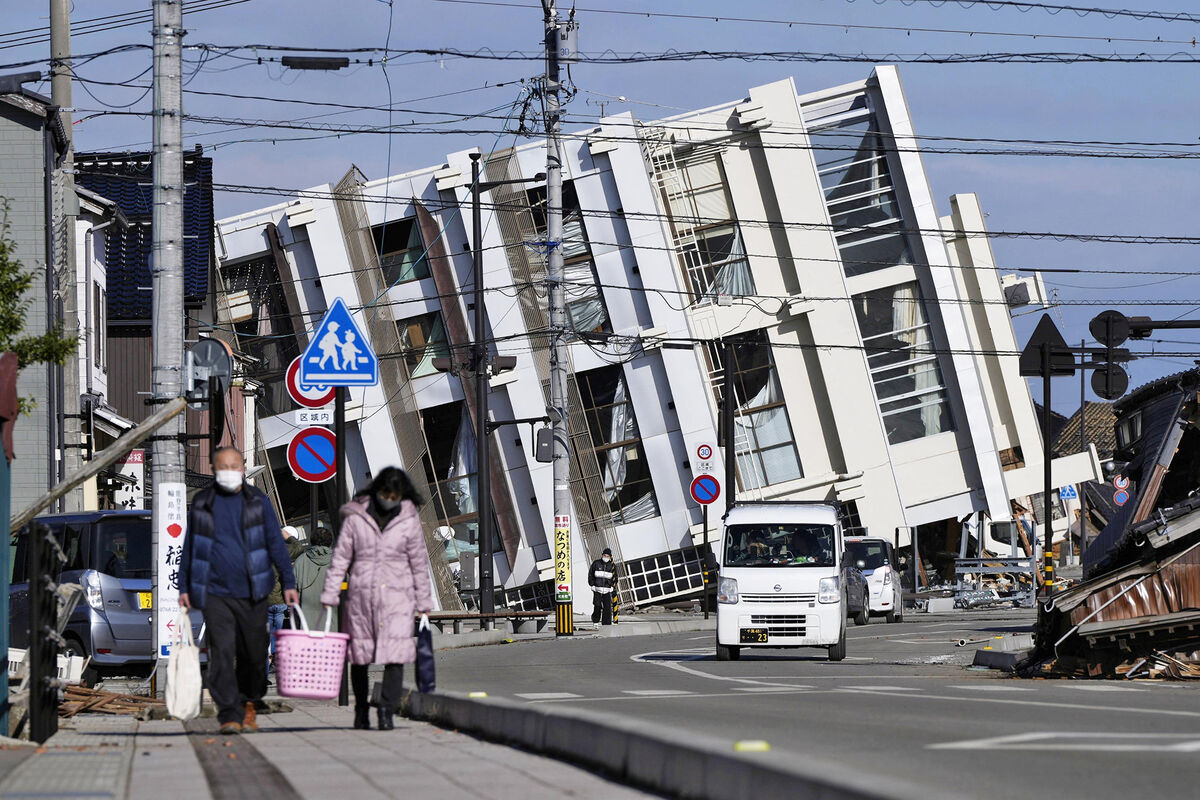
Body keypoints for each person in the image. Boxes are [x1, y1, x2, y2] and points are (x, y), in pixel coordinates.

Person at [179, 446, 298, 735]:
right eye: (223, 466)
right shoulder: (203, 502)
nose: (229, 471)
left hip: (254, 591)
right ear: (213, 469)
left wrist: (289, 582)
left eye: (234, 466)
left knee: (254, 653)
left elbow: (275, 543)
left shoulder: (258, 501)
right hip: (215, 591)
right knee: (221, 653)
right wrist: (184, 585)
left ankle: (249, 704)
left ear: (243, 469)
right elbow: (190, 546)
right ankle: (229, 713)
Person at [321, 467, 433, 731]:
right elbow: (340, 558)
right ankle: (361, 709)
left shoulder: (408, 518)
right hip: (362, 597)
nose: (389, 499)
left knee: (395, 657)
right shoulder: (355, 517)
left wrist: (424, 603)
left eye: (395, 495)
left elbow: (418, 562)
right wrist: (330, 593)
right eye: (386, 493)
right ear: (377, 490)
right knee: (359, 657)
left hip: (398, 597)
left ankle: (386, 710)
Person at [266, 525, 305, 679]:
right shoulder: (281, 553)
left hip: (264, 600)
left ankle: (268, 668)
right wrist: (287, 535)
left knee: (267, 637)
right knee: (281, 633)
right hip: (280, 600)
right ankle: (280, 661)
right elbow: (298, 547)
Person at [294, 526, 335, 628]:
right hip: (334, 623)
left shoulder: (300, 561)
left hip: (307, 625)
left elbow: (293, 588)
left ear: (311, 540)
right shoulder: (338, 561)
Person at [588, 549, 615, 626]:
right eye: (604, 556)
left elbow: (615, 577)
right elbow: (590, 574)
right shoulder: (596, 563)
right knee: (597, 605)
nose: (605, 557)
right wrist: (592, 585)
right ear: (602, 555)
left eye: (607, 556)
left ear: (610, 557)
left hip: (607, 589)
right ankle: (595, 621)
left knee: (607, 607)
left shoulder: (612, 566)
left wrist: (613, 586)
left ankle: (606, 624)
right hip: (597, 589)